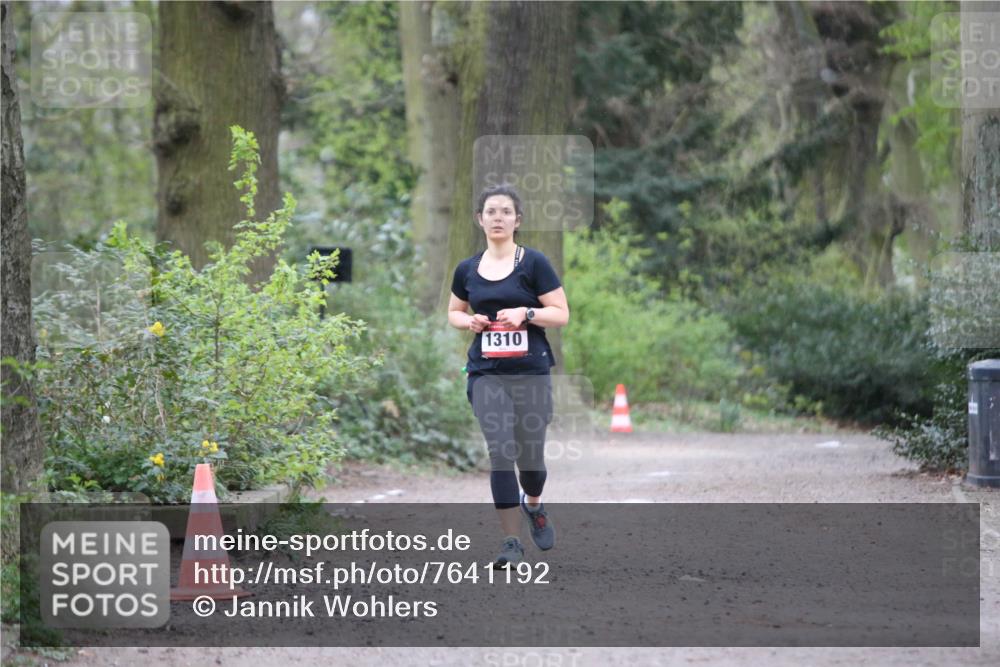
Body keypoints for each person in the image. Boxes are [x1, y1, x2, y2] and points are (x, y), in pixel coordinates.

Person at [447, 184, 570, 568]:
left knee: (530, 458)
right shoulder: (467, 269)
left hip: (531, 372)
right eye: (491, 211)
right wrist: (471, 321)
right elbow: (453, 311)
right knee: (500, 452)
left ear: (518, 220)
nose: (497, 218)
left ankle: (533, 504)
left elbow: (561, 313)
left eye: (505, 211)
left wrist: (527, 313)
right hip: (486, 373)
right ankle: (511, 541)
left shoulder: (533, 263)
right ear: (479, 220)